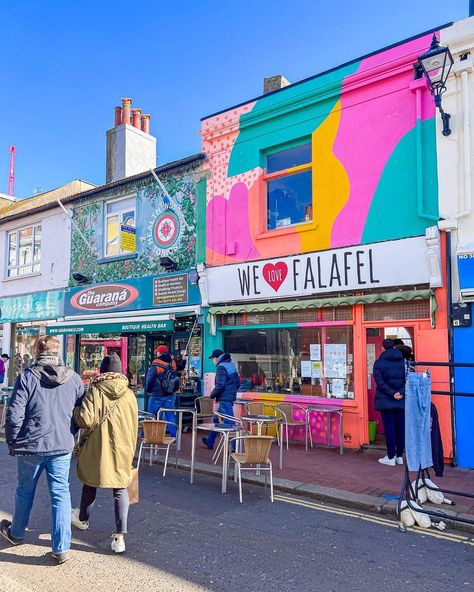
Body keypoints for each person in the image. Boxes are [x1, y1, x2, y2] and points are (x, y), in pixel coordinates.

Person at [1, 336, 84, 564]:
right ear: (57, 352)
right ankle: (61, 547)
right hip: (61, 445)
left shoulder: (27, 377)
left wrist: (12, 441)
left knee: (25, 490)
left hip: (31, 445)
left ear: (37, 351)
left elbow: (14, 413)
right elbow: (81, 412)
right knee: (60, 494)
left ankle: (17, 534)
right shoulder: (74, 378)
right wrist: (71, 431)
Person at [71, 352, 138, 554]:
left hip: (97, 446)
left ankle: (83, 519)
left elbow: (85, 420)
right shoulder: (129, 394)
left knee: (90, 482)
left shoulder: (96, 391)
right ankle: (119, 537)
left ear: (102, 370)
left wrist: (74, 411)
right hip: (123, 447)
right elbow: (135, 424)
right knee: (120, 488)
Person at [373, 339, 406, 467]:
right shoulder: (403, 363)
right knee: (400, 429)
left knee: (390, 429)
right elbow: (408, 379)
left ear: (383, 348)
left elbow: (380, 382)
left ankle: (391, 457)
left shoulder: (379, 363)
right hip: (401, 401)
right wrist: (401, 393)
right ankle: (399, 456)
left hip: (386, 401)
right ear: (394, 347)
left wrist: (392, 393)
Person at [202, 349, 240, 450]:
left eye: (212, 359)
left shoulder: (221, 367)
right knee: (216, 419)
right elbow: (238, 382)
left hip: (224, 398)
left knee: (229, 422)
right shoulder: (231, 365)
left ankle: (233, 447)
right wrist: (232, 393)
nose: (212, 361)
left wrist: (212, 395)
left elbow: (220, 385)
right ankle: (210, 441)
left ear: (216, 358)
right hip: (230, 396)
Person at [145, 345, 181, 436]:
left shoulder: (156, 363)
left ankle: (146, 434)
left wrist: (148, 390)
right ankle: (173, 434)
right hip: (170, 393)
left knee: (151, 414)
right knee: (169, 414)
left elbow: (150, 379)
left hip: (157, 393)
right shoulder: (172, 363)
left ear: (159, 353)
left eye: (157, 351)